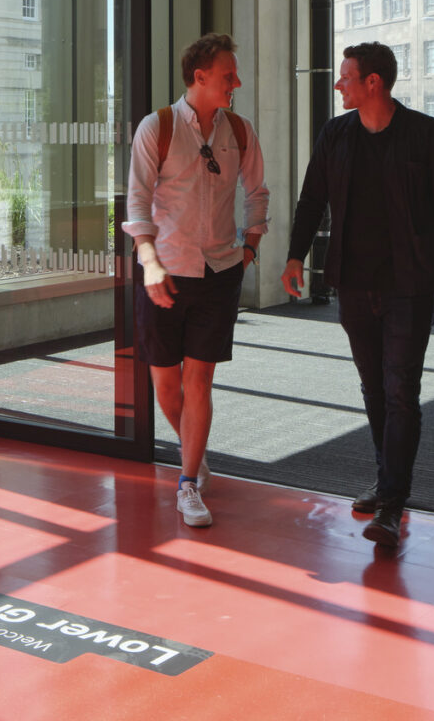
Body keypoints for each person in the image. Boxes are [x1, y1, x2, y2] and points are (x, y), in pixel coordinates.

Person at [280, 41, 434, 555]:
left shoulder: (426, 135)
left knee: (400, 390)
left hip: (411, 286)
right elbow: (312, 197)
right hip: (353, 283)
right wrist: (295, 256)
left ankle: (392, 501)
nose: (338, 84)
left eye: (346, 77)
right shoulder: (336, 134)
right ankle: (389, 480)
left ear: (373, 83)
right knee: (373, 388)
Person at [125, 31, 268, 531]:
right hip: (163, 271)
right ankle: (194, 452)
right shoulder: (157, 127)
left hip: (219, 273)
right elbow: (137, 202)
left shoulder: (241, 131)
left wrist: (249, 247)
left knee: (199, 379)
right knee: (166, 382)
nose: (237, 82)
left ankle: (187, 483)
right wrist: (149, 261)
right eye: (229, 75)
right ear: (200, 76)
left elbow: (258, 193)